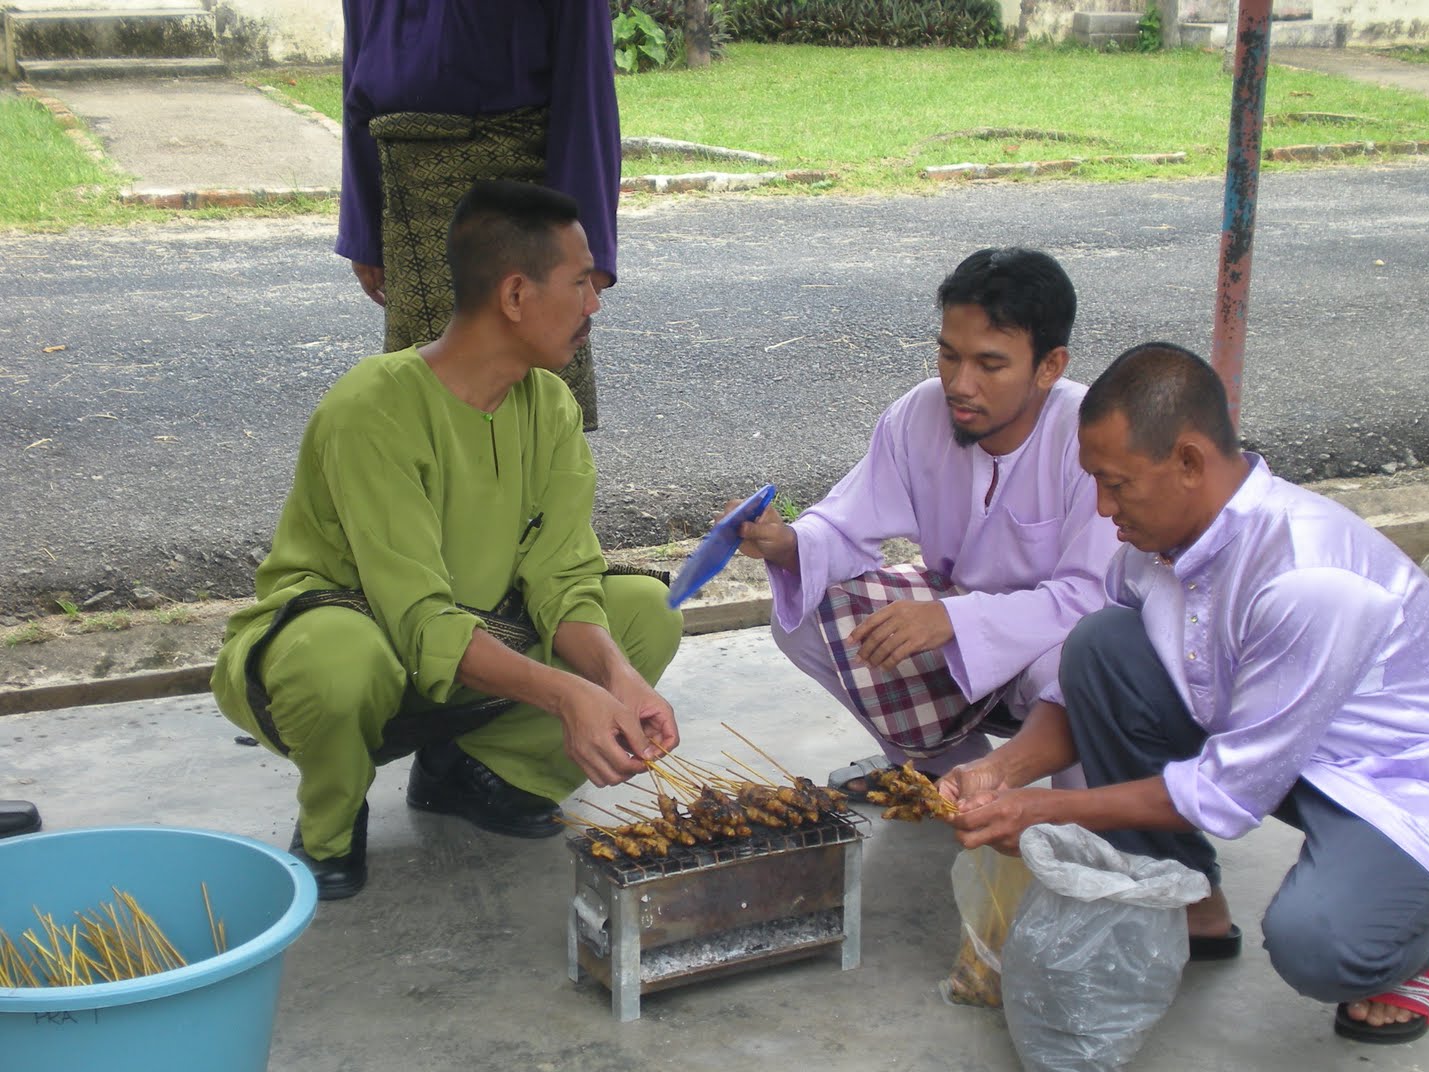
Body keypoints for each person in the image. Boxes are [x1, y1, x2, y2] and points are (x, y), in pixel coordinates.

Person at [944, 341, 1429, 1042]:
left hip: (1411, 781)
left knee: (1319, 945)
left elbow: (1226, 795)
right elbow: (1088, 688)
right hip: (1282, 745)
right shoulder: (1149, 548)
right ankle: (1189, 902)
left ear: (1189, 462)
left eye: (1116, 483)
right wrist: (1001, 770)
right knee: (1100, 643)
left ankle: (1423, 928)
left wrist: (1049, 809)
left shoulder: (1304, 578)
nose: (1102, 508)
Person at [213, 181, 683, 902]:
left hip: (476, 637)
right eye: (582, 283)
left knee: (645, 613)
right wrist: (565, 697)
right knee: (339, 661)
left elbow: (565, 578)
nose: (595, 304)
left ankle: (477, 772)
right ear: (516, 295)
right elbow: (417, 618)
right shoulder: (374, 406)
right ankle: (330, 826)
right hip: (359, 638)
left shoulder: (548, 403)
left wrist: (618, 680)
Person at [732, 248, 1119, 788]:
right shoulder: (920, 413)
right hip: (957, 622)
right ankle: (949, 775)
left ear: (1050, 366)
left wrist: (954, 619)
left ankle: (1076, 834)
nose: (960, 384)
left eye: (990, 364)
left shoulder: (1091, 436)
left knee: (1080, 665)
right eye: (948, 355)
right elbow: (846, 522)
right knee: (806, 613)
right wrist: (787, 542)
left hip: (1052, 646)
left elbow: (1093, 601)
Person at [337, 0, 621, 429]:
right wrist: (364, 228)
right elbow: (357, 74)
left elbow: (587, 86)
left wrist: (586, 250)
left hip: (516, 205)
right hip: (408, 206)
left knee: (530, 415)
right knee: (423, 419)